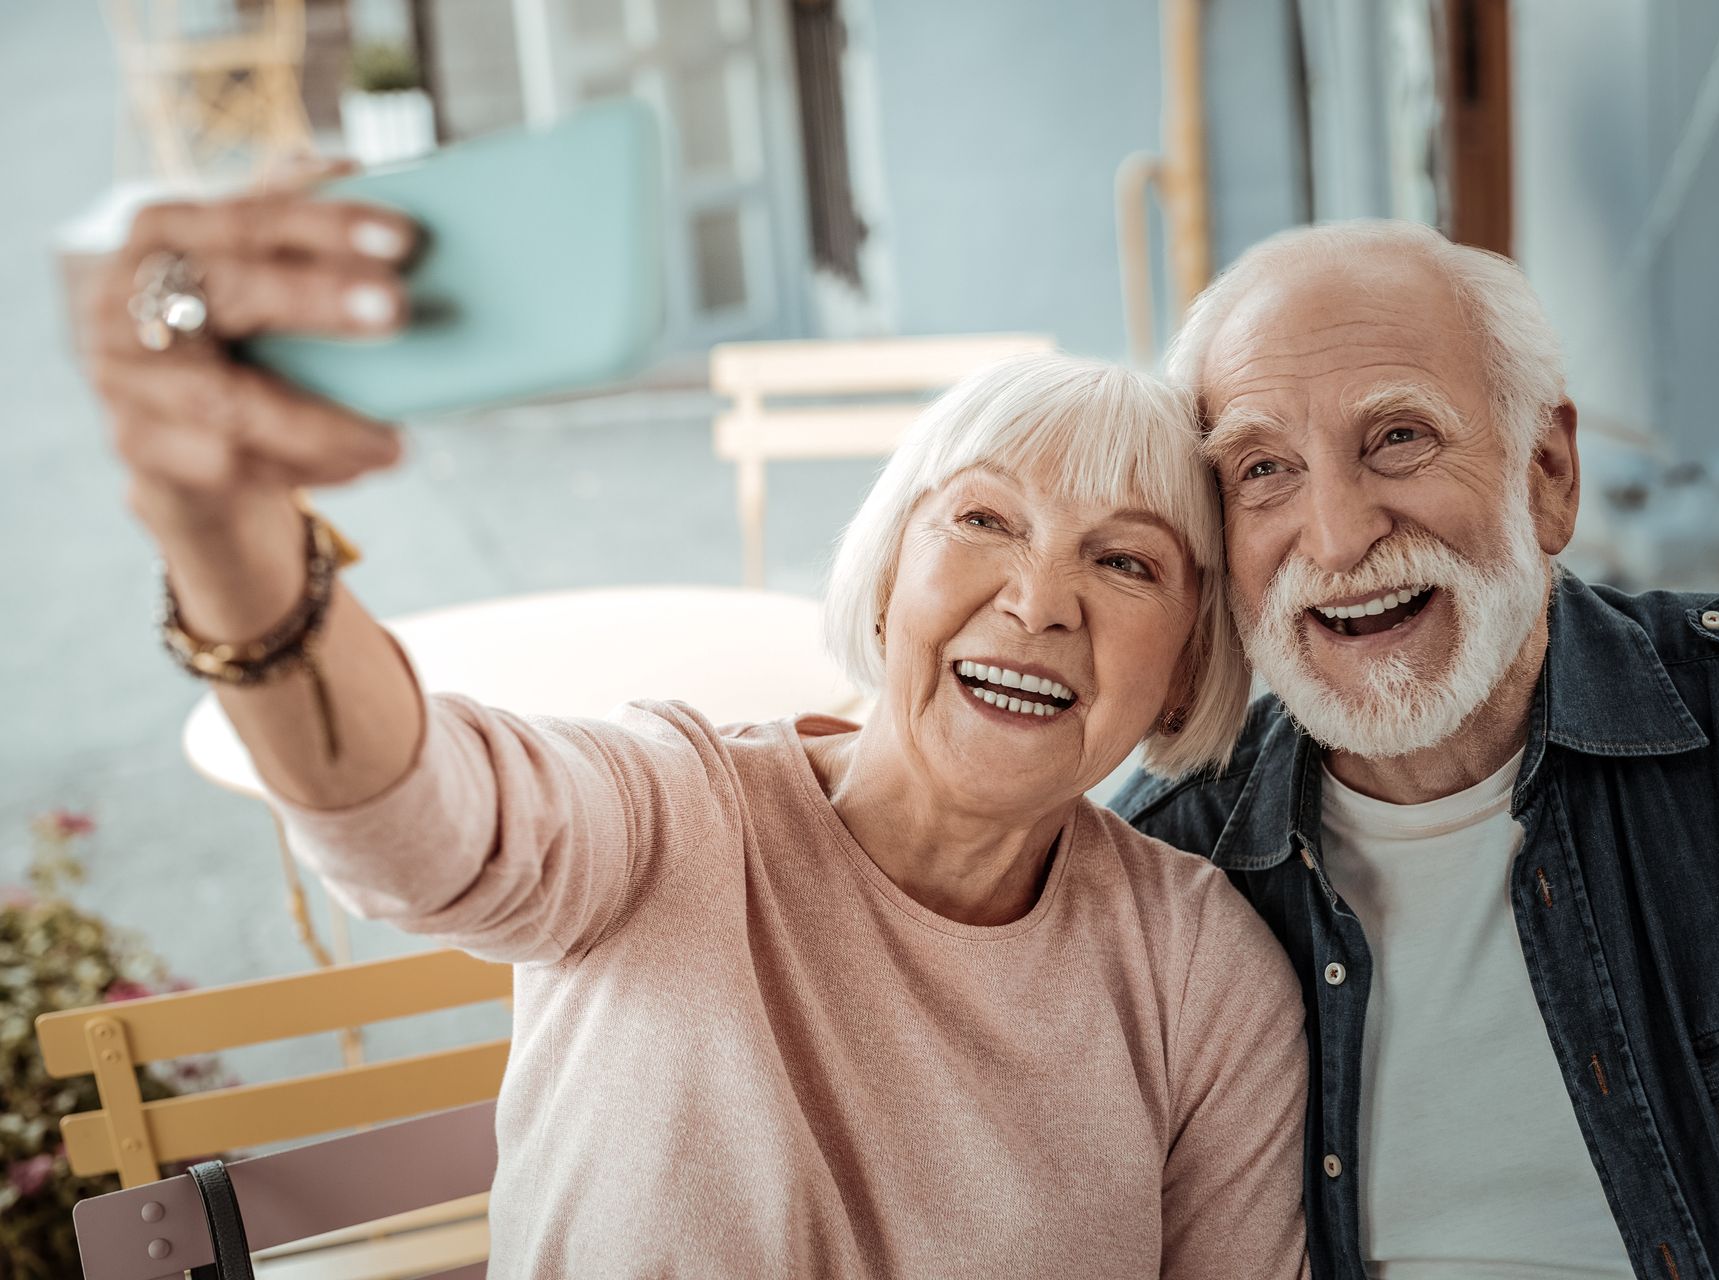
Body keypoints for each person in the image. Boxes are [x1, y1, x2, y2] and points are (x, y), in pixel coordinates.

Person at [82, 191, 1312, 1277]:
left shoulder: (1199, 978)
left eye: (1125, 561)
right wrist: (233, 548)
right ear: (887, 582)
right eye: (986, 519)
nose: (1042, 599)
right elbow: (413, 825)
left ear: (1187, 667)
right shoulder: (673, 810)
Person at [1115, 219, 1719, 1280]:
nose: (1340, 533)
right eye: (1263, 466)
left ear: (1547, 472)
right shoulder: (1173, 864)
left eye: (1398, 437)